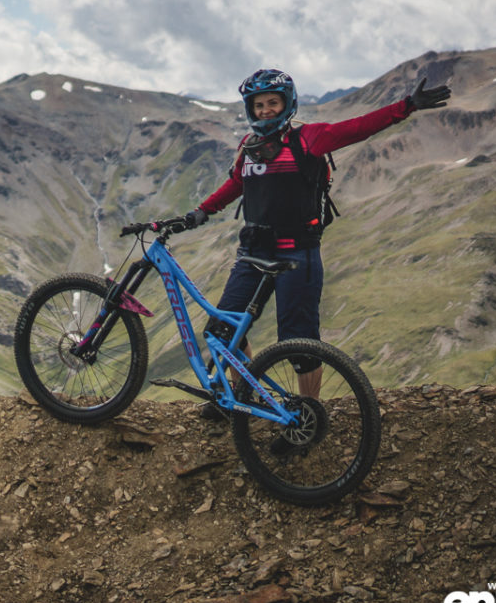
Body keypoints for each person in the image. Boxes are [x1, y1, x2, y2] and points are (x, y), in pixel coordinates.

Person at [182, 68, 451, 411]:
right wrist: (202, 211)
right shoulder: (249, 147)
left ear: (287, 104)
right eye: (258, 104)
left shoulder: (309, 138)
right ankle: (236, 399)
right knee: (224, 329)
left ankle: (308, 413)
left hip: (297, 254)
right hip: (253, 252)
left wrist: (407, 105)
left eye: (272, 103)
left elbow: (358, 128)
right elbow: (237, 184)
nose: (265, 110)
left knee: (298, 343)